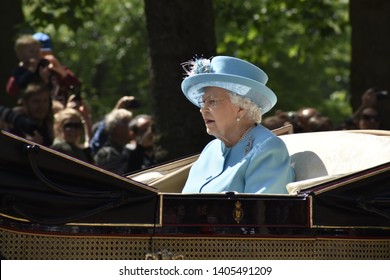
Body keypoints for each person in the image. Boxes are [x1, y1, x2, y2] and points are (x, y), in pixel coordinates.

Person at [180, 56, 295, 194]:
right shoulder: (210, 149)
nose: (203, 110)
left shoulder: (268, 149)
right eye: (202, 102)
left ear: (241, 109)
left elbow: (261, 211)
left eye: (212, 102)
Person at [93, 108, 133, 175]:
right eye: (126, 123)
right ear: (115, 127)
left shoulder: (125, 150)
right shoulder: (107, 154)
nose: (130, 127)